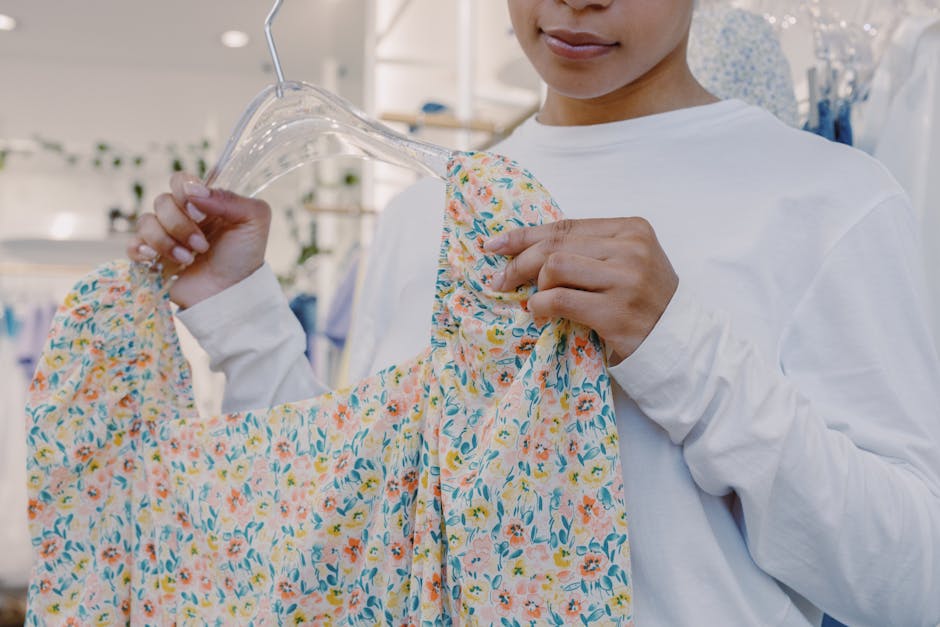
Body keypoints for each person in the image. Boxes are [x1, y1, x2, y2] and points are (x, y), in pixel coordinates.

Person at [128, 0, 940, 624]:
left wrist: (680, 348)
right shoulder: (423, 218)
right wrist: (239, 317)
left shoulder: (831, 203)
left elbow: (914, 583)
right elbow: (351, 542)